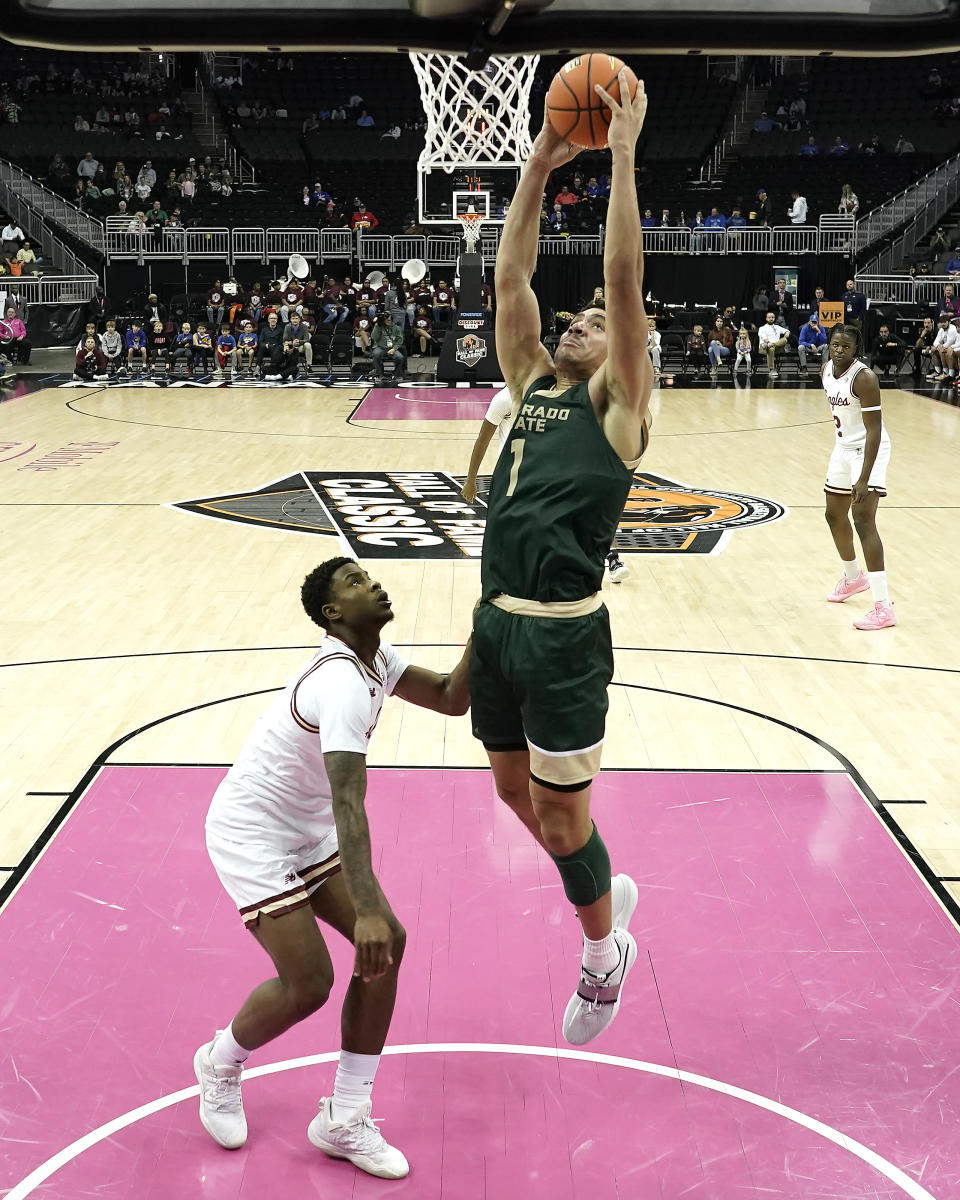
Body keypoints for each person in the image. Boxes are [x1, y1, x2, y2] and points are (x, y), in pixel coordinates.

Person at [471, 70, 651, 1047]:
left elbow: (622, 283)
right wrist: (542, 160)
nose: (580, 322)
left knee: (560, 820)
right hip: (495, 622)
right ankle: (598, 890)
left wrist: (620, 155)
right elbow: (512, 281)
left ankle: (601, 955)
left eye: (597, 326)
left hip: (565, 640)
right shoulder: (532, 380)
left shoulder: (618, 413)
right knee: (516, 798)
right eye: (571, 320)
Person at [196, 557, 470, 1177]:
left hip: (307, 825)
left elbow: (454, 699)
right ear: (333, 614)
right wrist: (367, 907)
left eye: (368, 576)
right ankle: (219, 1061)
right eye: (354, 582)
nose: (372, 583)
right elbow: (349, 798)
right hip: (254, 832)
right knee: (310, 983)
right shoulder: (341, 681)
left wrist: (489, 622)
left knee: (387, 946)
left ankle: (344, 1118)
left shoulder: (380, 659)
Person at [821, 325, 895, 629]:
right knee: (833, 514)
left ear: (855, 350)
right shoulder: (825, 370)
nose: (840, 350)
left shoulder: (864, 378)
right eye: (835, 344)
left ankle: (883, 607)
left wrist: (863, 478)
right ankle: (854, 578)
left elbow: (874, 430)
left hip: (869, 450)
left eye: (846, 347)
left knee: (863, 520)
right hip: (843, 447)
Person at [370, 313, 405, 382]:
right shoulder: (379, 327)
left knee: (400, 357)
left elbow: (400, 340)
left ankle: (396, 374)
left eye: (389, 320)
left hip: (392, 348)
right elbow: (374, 337)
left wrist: (394, 349)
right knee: (376, 354)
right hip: (380, 347)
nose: (387, 321)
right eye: (386, 320)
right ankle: (380, 374)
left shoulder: (396, 328)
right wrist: (376, 326)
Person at [758, 311, 790, 378]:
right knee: (771, 349)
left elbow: (787, 330)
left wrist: (787, 332)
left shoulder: (777, 327)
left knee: (784, 340)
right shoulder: (762, 328)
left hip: (776, 347)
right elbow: (763, 337)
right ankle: (772, 369)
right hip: (765, 346)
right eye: (769, 317)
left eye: (772, 317)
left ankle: (772, 345)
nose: (771, 319)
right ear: (766, 318)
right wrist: (768, 343)